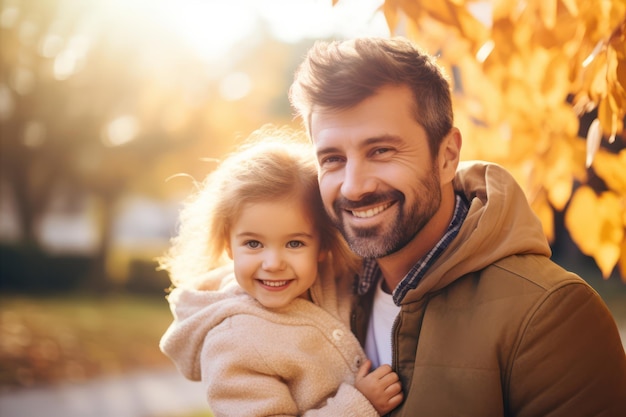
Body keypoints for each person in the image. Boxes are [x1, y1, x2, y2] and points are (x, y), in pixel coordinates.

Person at [288, 36, 626, 416]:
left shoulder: (551, 315)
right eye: (332, 159)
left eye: (381, 151)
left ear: (447, 156)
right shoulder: (313, 295)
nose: (354, 185)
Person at [159, 128, 403, 417]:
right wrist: (360, 406)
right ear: (229, 246)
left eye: (294, 243)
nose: (273, 263)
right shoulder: (234, 343)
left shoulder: (331, 277)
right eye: (253, 243)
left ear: (323, 246)